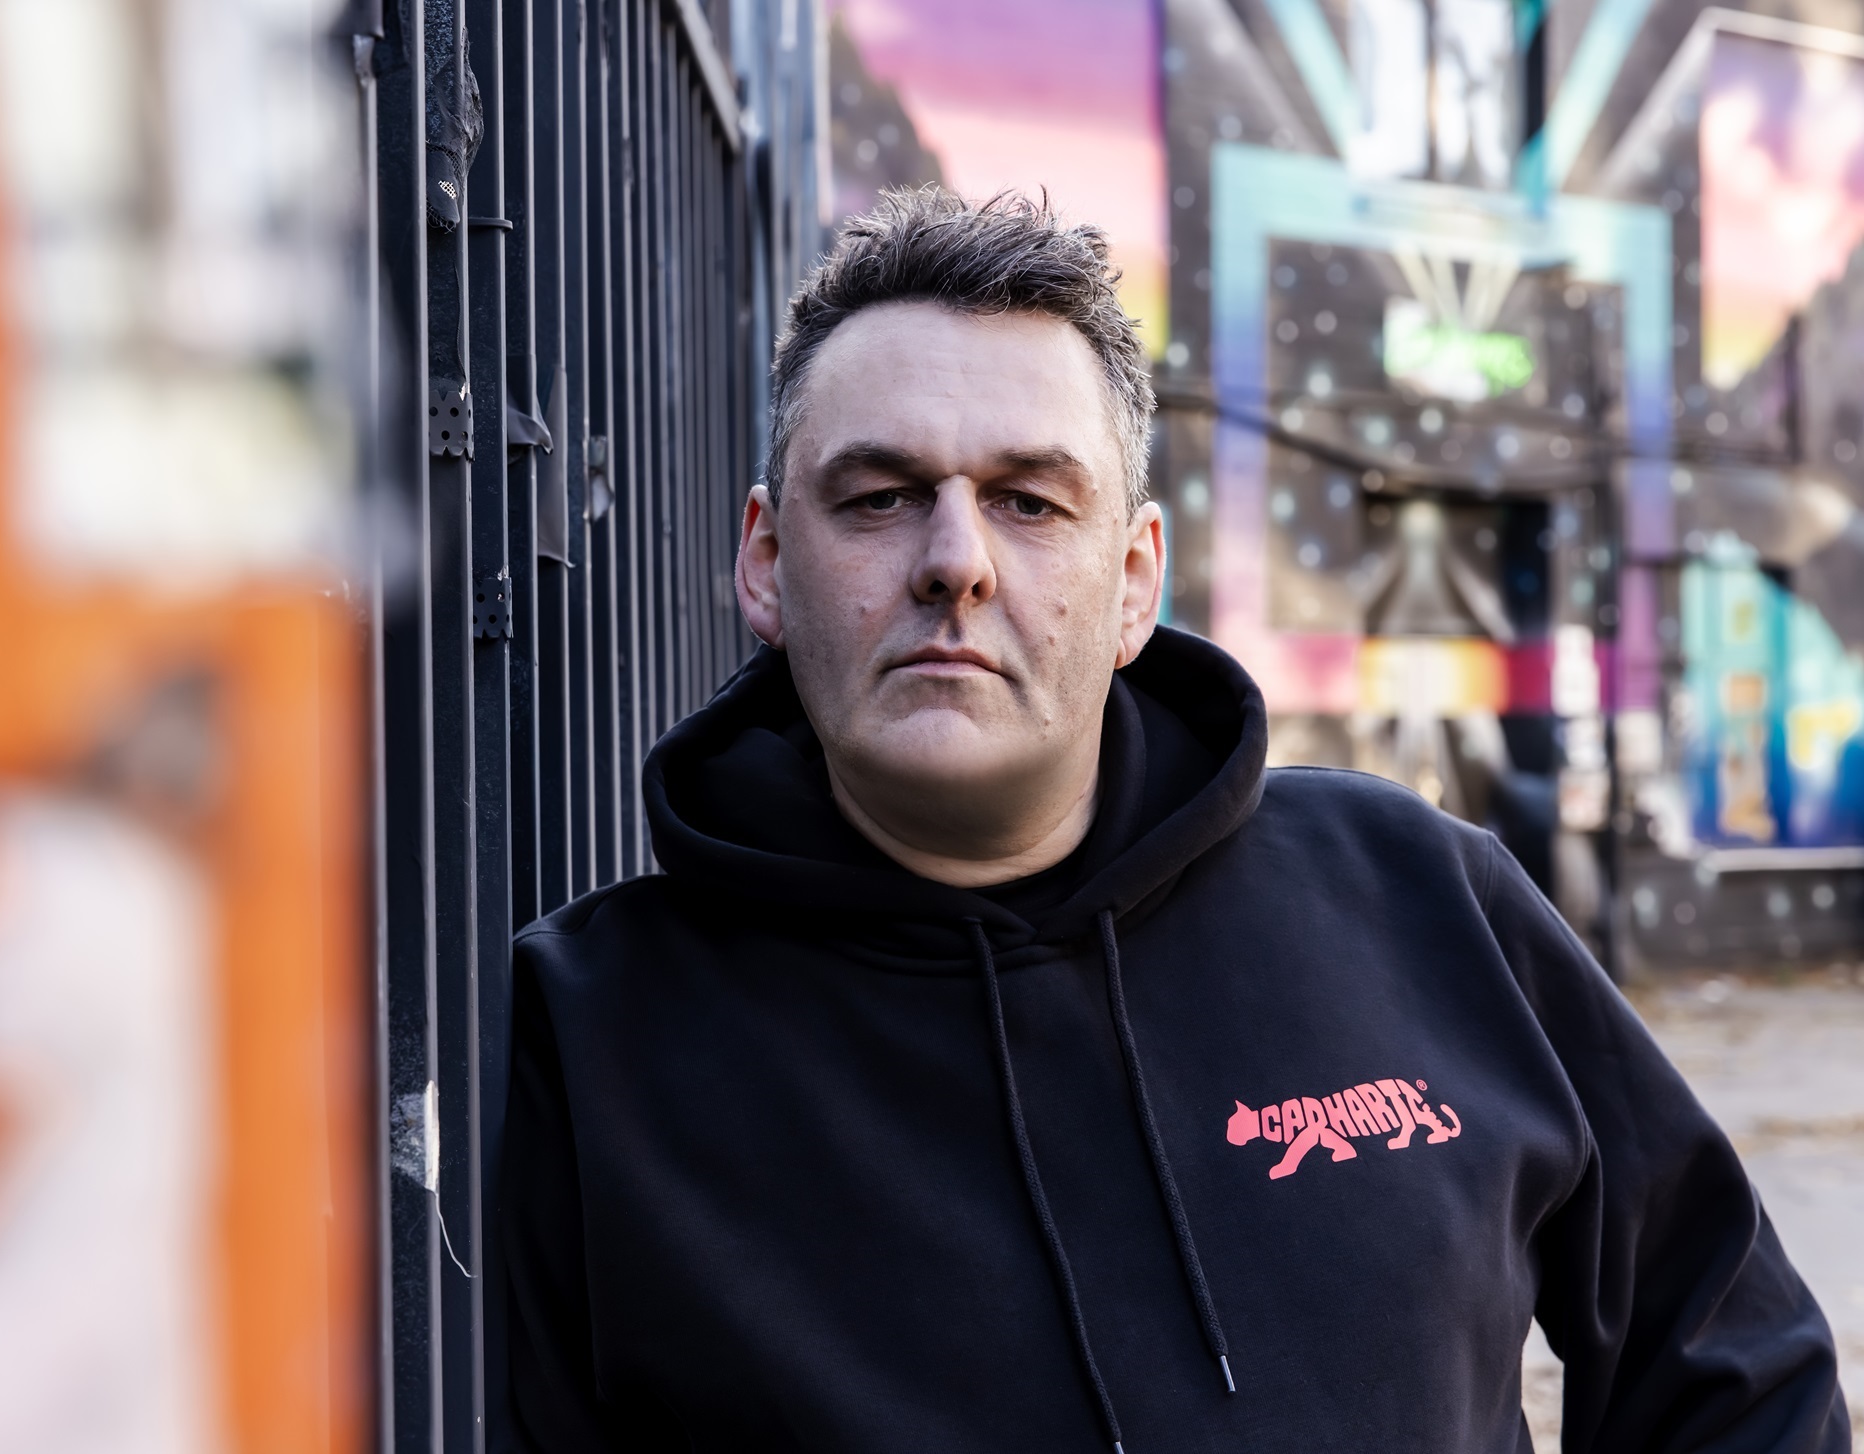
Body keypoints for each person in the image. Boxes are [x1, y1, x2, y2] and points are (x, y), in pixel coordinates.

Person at [496, 188, 1848, 1453]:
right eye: (880, 497)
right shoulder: (591, 1039)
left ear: (1137, 580)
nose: (955, 561)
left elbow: (1738, 1361)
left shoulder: (1423, 899)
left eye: (1030, 501)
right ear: (766, 562)